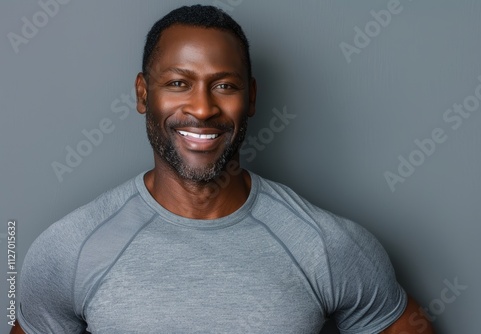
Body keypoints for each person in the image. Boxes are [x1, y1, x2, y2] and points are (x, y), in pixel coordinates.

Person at [12, 5, 434, 334]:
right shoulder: (71, 248)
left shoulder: (325, 244)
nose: (202, 108)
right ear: (143, 94)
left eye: (224, 85)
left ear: (250, 98)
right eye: (178, 83)